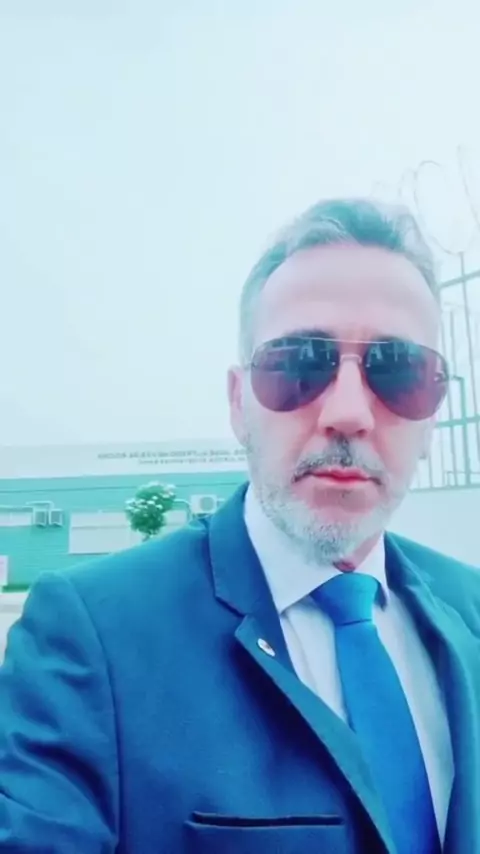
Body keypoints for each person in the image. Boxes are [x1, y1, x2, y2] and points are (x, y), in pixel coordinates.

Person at [0, 199, 479, 854]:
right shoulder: (94, 638)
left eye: (397, 370)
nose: (348, 413)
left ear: (434, 410)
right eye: (299, 363)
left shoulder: (471, 610)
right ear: (237, 403)